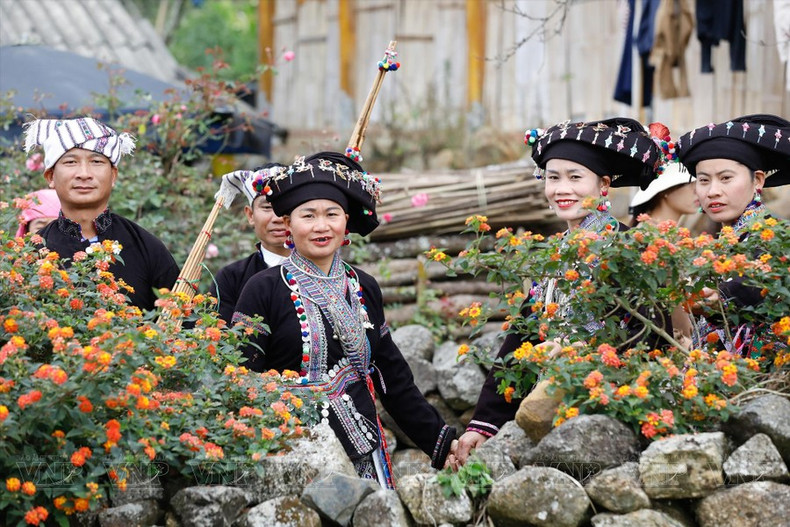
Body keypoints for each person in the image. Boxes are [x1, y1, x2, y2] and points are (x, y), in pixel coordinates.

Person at [232, 152, 456, 488]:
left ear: (346, 223)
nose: (321, 226)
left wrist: (443, 444)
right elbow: (240, 380)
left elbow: (392, 378)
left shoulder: (363, 286)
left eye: (331, 214)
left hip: (364, 450)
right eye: (308, 215)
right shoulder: (261, 289)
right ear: (288, 224)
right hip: (290, 452)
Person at [452, 117, 663, 467]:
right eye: (553, 178)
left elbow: (649, 334)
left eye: (575, 177)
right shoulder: (554, 255)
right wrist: (483, 423)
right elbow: (524, 337)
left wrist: (577, 352)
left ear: (604, 184)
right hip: (548, 407)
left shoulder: (628, 248)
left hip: (613, 407)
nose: (561, 188)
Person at [23, 117, 180, 311]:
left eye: (96, 161)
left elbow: (179, 324)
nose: (84, 173)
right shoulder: (30, 255)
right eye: (71, 162)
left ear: (113, 175)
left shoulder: (148, 248)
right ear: (50, 176)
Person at [675, 113, 790, 354]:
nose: (713, 191)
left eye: (726, 178)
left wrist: (719, 298)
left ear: (757, 180)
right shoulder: (718, 245)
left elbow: (752, 286)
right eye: (704, 180)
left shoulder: (779, 240)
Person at [210, 164, 290, 323]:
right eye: (267, 207)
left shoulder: (323, 272)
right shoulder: (231, 279)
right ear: (250, 215)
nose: (278, 218)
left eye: (286, 206)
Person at [629, 164, 697, 227]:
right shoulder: (647, 233)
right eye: (689, 183)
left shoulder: (667, 234)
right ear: (664, 190)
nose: (697, 190)